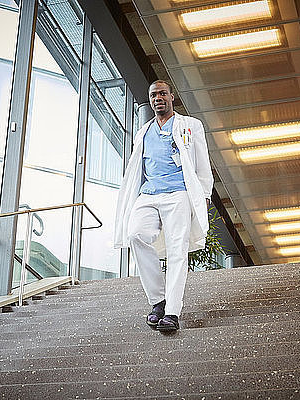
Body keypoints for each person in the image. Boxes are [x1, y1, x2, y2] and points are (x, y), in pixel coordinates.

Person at [114, 80, 214, 332]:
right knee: (136, 234)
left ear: (171, 97)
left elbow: (202, 164)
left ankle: (171, 313)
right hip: (148, 194)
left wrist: (204, 194)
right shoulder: (143, 132)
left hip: (179, 194)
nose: (158, 98)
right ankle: (158, 300)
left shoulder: (190, 126)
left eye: (162, 93)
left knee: (177, 251)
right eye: (153, 95)